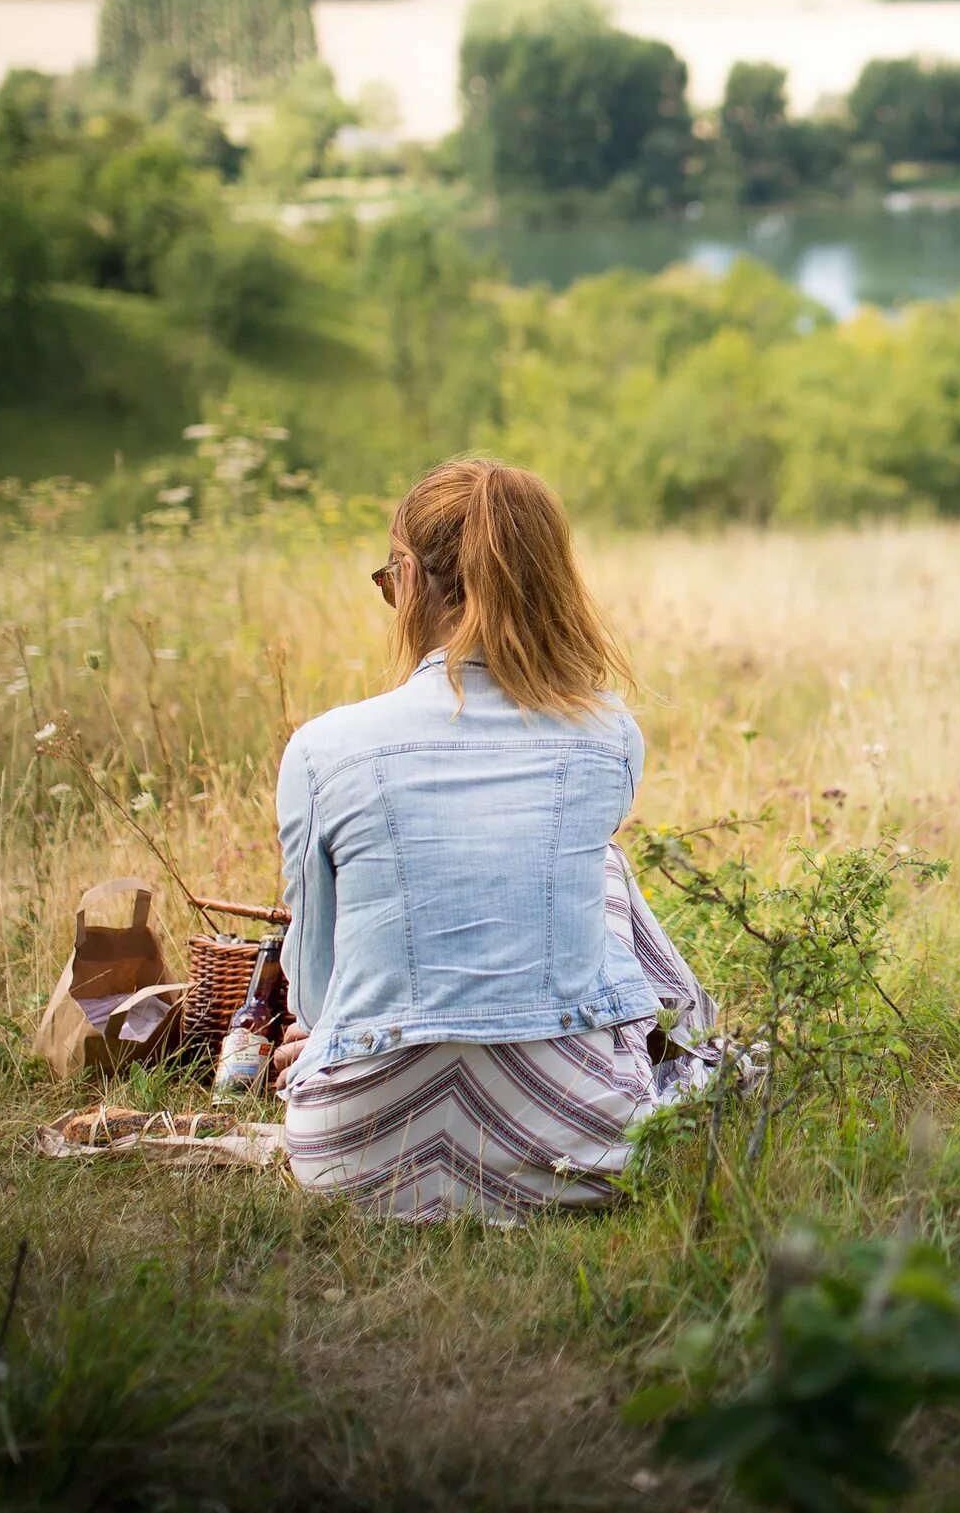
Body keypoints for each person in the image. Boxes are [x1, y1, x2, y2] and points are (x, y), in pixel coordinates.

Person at [269, 456, 716, 1221]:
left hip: (353, 1160)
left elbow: (313, 995)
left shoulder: (321, 749)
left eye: (387, 582)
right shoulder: (607, 733)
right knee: (601, 869)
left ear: (408, 578)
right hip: (576, 1150)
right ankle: (681, 1043)